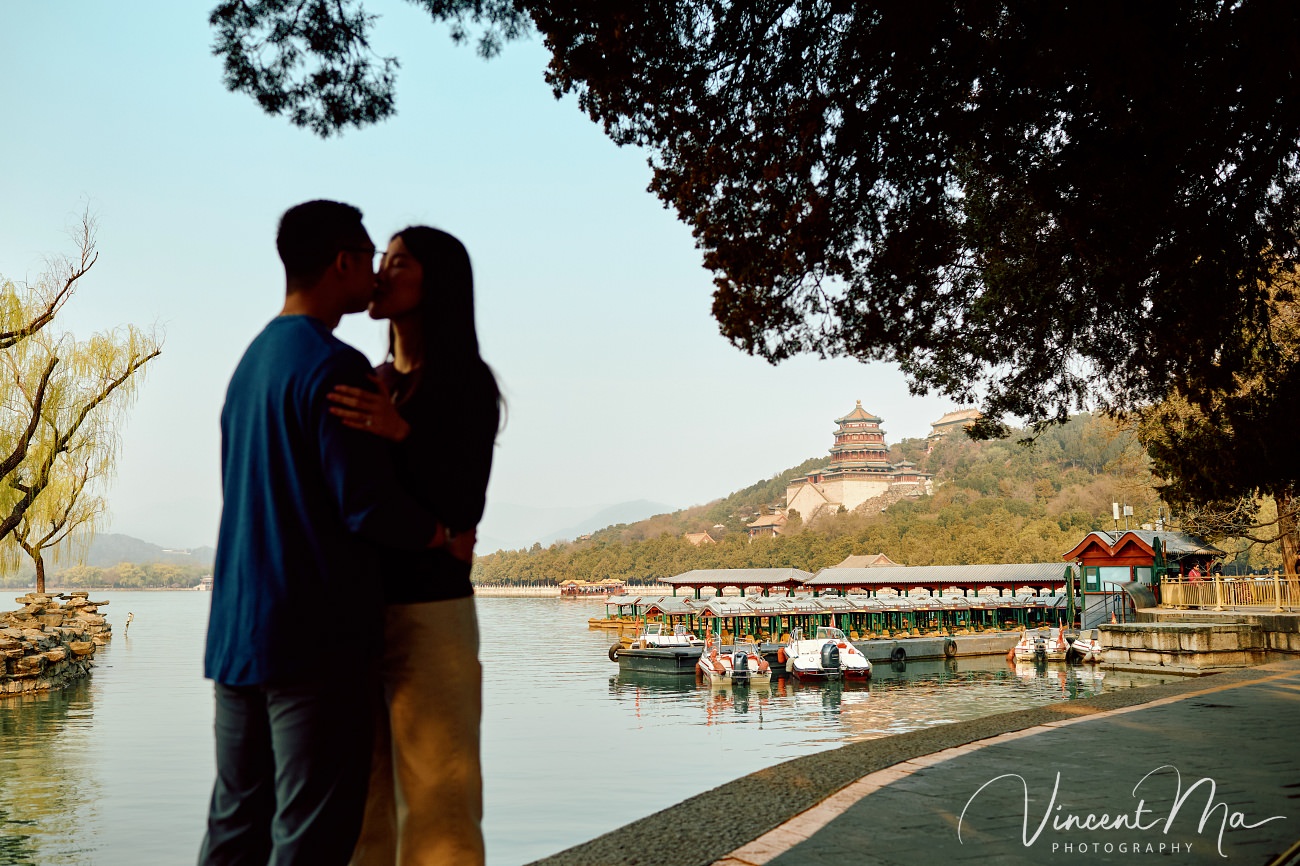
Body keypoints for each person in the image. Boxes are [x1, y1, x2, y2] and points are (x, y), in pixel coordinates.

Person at [199, 201, 460, 866]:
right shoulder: (334, 366)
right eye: (371, 259)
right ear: (342, 262)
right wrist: (439, 534)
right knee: (310, 836)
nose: (376, 276)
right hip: (310, 640)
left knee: (235, 826)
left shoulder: (250, 365)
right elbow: (365, 506)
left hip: (237, 636)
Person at [327, 227, 500, 866]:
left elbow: (463, 506)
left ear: (436, 284)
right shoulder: (372, 381)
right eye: (383, 260)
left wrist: (402, 434)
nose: (381, 272)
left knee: (441, 806)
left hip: (432, 613)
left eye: (398, 262)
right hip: (361, 613)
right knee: (363, 808)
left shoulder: (465, 385)